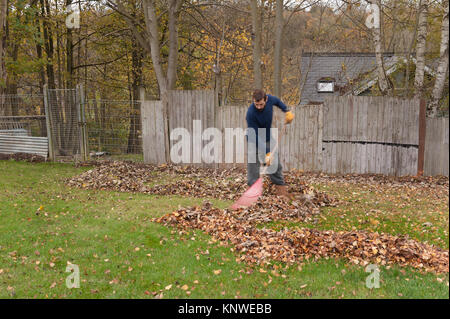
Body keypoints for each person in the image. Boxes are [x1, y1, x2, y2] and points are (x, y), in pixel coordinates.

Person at [245, 89, 294, 198]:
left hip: (268, 137)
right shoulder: (250, 113)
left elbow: (277, 101)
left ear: (266, 99)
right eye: (256, 104)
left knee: (275, 162)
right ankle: (252, 191)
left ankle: (280, 189)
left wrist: (286, 110)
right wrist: (267, 152)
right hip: (254, 139)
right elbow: (255, 136)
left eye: (261, 104)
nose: (258, 107)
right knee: (253, 164)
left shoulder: (270, 99)